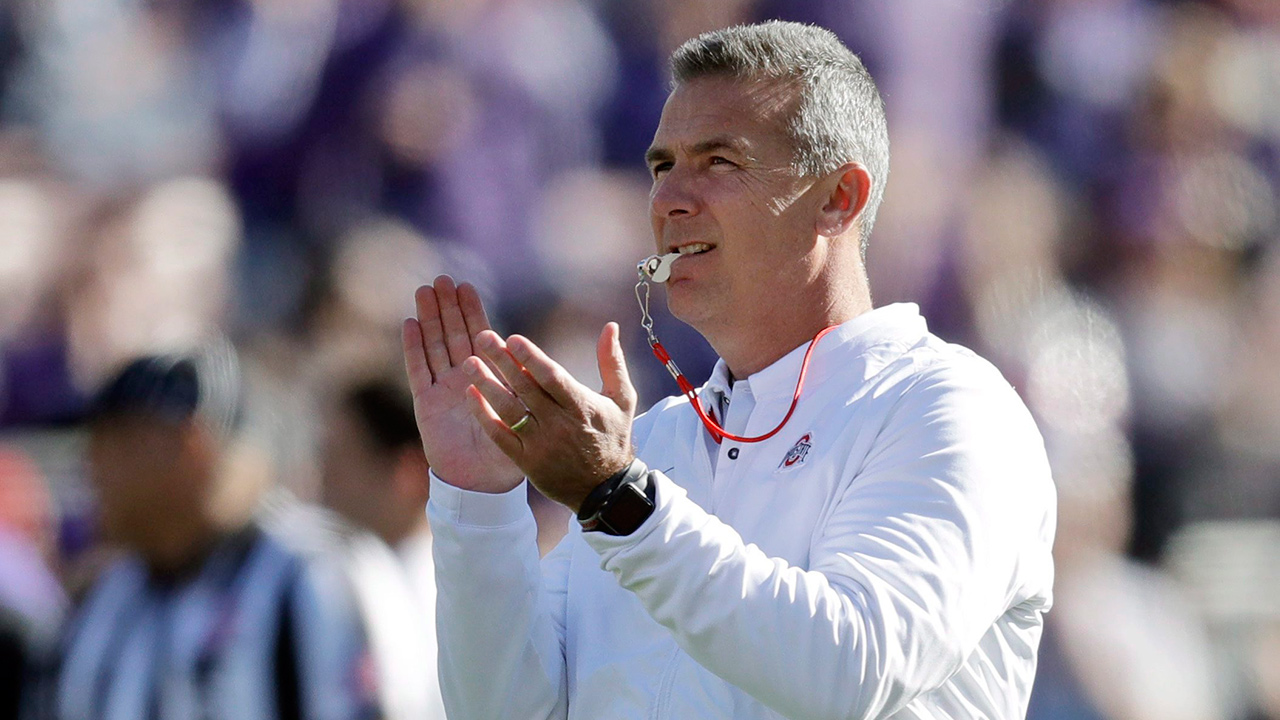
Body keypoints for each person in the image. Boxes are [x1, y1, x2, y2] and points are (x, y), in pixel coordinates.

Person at [404, 20, 1057, 720]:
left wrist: (619, 504)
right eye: (662, 166)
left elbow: (852, 670)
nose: (669, 200)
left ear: (839, 197)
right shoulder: (651, 446)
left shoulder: (948, 409)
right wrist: (478, 505)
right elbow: (510, 711)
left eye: (720, 162)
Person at [48, 341, 381, 720]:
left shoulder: (309, 576)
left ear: (191, 446)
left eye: (114, 442)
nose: (90, 465)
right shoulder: (106, 599)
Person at [319, 373, 446, 720]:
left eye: (341, 457)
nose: (324, 478)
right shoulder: (335, 575)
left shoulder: (446, 589)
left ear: (407, 470)